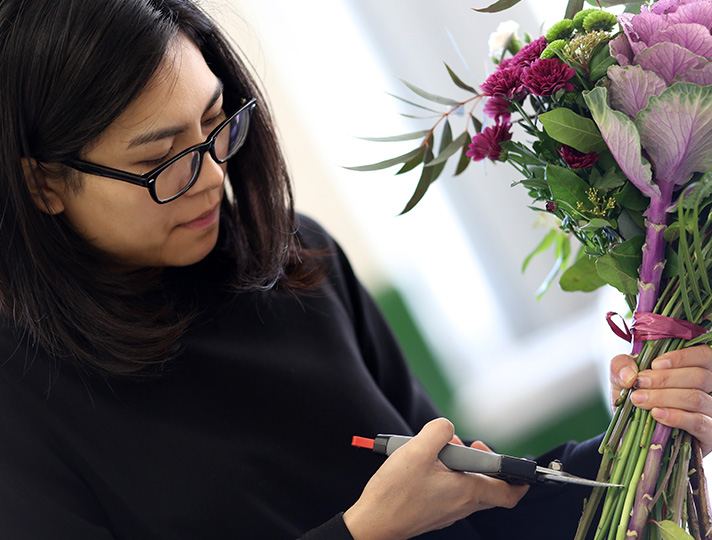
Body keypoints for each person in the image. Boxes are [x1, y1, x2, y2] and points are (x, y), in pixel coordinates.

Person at [1, 1, 711, 539]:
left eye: (218, 125)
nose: (213, 176)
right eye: (160, 160)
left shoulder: (294, 260)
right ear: (43, 184)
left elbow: (470, 515)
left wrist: (653, 434)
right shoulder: (21, 400)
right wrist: (364, 531)